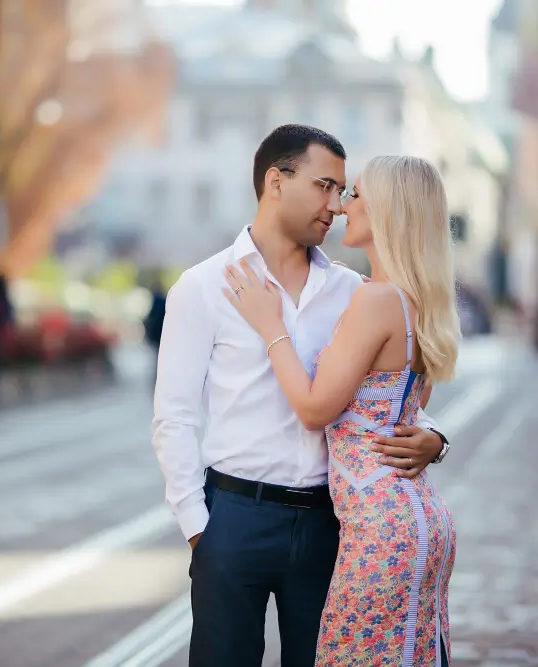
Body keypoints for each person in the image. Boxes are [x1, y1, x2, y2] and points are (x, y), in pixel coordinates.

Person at [151, 125, 451, 667]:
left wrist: (435, 437)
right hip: (235, 516)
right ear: (275, 182)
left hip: (329, 526)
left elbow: (384, 393)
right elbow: (172, 418)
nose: (336, 206)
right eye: (324, 186)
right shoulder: (202, 286)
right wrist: (200, 532)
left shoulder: (353, 291)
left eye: (343, 190)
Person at [223, 155, 459, 666]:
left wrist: (270, 326)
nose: (343, 207)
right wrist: (436, 442)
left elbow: (314, 409)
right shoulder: (416, 300)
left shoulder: (376, 301)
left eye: (355, 196)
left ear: (387, 212)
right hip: (419, 519)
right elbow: (408, 408)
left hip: (380, 528)